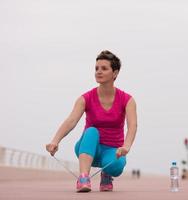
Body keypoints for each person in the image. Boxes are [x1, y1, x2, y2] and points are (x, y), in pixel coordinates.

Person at [45, 50, 137, 193]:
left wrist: (126, 145)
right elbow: (71, 120)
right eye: (96, 68)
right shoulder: (85, 98)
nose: (98, 72)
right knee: (92, 131)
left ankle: (106, 174)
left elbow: (132, 125)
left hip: (113, 150)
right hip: (87, 148)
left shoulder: (127, 100)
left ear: (115, 73)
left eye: (104, 68)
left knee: (117, 167)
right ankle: (83, 177)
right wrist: (55, 141)